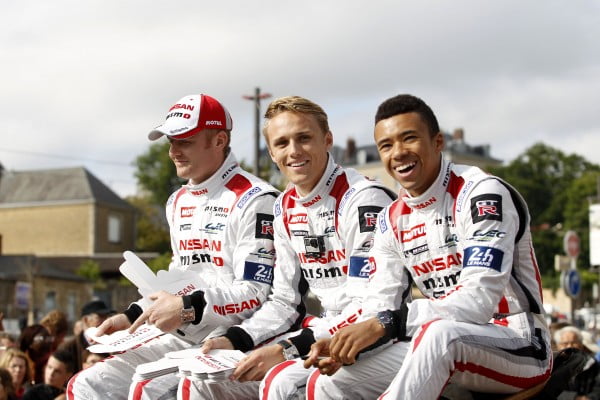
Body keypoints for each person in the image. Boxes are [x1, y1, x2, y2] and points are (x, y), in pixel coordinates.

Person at [304, 94, 552, 399]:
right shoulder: (389, 219)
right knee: (330, 380)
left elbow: (478, 301)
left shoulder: (482, 194)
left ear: (437, 142)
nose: (398, 153)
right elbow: (381, 305)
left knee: (440, 335)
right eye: (386, 145)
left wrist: (385, 324)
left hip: (520, 343)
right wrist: (342, 339)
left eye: (409, 139)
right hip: (438, 342)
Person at [66, 93, 278, 400]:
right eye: (170, 141)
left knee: (146, 390)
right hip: (183, 333)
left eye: (185, 141)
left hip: (235, 337)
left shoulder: (256, 200)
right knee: (87, 385)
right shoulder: (177, 202)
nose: (173, 151)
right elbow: (180, 277)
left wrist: (189, 309)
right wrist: (133, 315)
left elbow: (256, 294)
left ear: (219, 141)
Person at [196, 95, 396, 399]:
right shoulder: (284, 207)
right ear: (272, 153)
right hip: (324, 331)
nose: (294, 151)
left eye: (304, 138)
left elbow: (370, 306)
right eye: (282, 143)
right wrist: (236, 338)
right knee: (208, 379)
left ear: (327, 140)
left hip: (381, 335)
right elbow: (284, 302)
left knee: (284, 383)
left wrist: (287, 348)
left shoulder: (363, 199)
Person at [58, 300, 114, 374]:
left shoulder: (112, 346)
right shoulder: (68, 348)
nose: (106, 321)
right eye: (100, 317)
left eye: (107, 317)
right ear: (86, 320)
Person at [554, 326, 600, 400]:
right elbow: (549, 390)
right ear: (558, 346)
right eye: (565, 343)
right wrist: (574, 398)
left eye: (574, 343)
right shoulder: (552, 366)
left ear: (581, 345)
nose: (570, 346)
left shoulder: (593, 364)